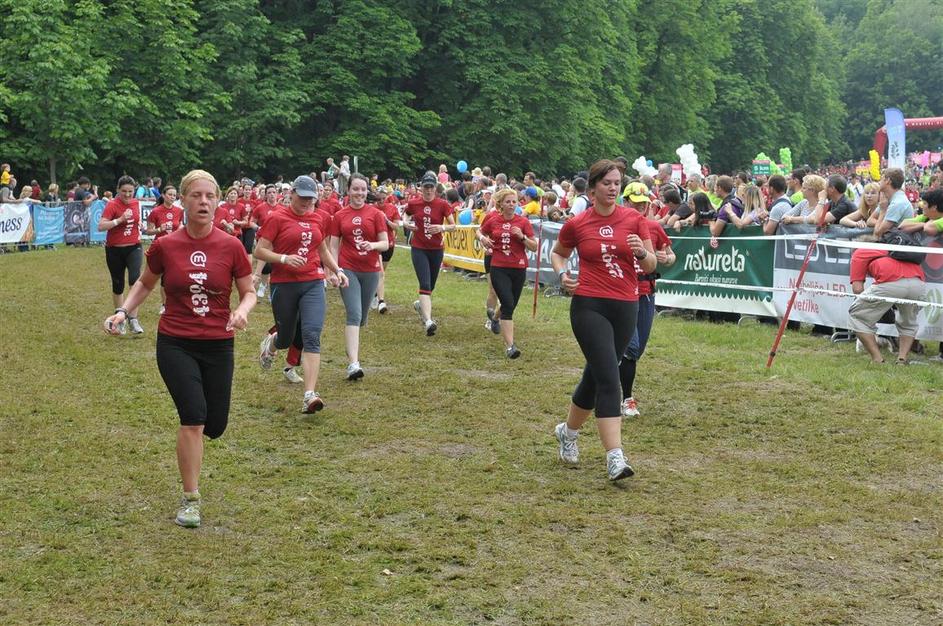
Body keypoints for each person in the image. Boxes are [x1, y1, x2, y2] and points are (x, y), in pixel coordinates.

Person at [103, 169, 257, 529]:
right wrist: (123, 312)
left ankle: (199, 445)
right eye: (196, 195)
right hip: (176, 342)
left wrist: (242, 310)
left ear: (217, 202)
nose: (204, 202)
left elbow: (249, 291)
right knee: (193, 416)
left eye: (210, 196)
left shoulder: (232, 246)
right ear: (183, 200)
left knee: (215, 424)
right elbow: (145, 283)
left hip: (218, 344)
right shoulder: (166, 245)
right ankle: (191, 499)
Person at [549, 159, 656, 481]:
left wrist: (641, 253)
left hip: (626, 306)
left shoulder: (635, 220)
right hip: (589, 305)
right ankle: (615, 458)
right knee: (610, 377)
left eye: (617, 183)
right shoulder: (577, 223)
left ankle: (568, 432)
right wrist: (562, 275)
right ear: (593, 187)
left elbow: (651, 265)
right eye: (607, 183)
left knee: (595, 376)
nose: (613, 188)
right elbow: (558, 253)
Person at [255, 175, 348, 413]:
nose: (307, 202)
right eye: (303, 197)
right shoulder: (277, 218)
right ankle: (271, 344)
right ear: (292, 193)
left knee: (311, 335)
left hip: (313, 282)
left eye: (311, 198)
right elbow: (260, 251)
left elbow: (322, 249)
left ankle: (309, 394)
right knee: (286, 338)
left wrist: (337, 270)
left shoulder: (319, 218)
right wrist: (284, 258)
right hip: (284, 284)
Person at [328, 173, 389, 379]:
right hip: (348, 269)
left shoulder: (376, 214)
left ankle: (352, 348)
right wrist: (335, 270)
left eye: (363, 189)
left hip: (371, 270)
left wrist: (372, 245)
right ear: (348, 190)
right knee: (353, 314)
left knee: (361, 318)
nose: (359, 193)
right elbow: (333, 245)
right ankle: (354, 364)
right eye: (355, 189)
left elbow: (385, 244)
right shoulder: (339, 216)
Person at [619, 207, 675, 417]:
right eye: (635, 202)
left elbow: (671, 256)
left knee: (636, 350)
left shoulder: (653, 227)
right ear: (626, 202)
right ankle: (627, 399)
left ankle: (611, 367)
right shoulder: (615, 227)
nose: (640, 207)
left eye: (644, 203)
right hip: (622, 293)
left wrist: (665, 258)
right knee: (631, 348)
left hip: (646, 294)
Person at [476, 188, 538, 358]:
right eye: (508, 202)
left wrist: (522, 237)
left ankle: (495, 318)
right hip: (498, 267)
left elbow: (534, 246)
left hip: (518, 268)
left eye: (514, 202)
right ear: (501, 204)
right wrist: (483, 239)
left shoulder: (523, 222)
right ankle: (511, 347)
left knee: (510, 304)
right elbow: (479, 231)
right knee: (508, 304)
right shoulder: (493, 219)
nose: (511, 205)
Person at [847, 234, 925, 364]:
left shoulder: (860, 252)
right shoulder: (891, 248)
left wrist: (874, 307)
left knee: (857, 317)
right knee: (908, 322)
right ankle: (902, 359)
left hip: (890, 283)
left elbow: (858, 289)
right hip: (918, 283)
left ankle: (877, 359)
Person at [402, 171, 457, 336]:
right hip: (419, 248)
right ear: (421, 188)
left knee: (431, 285)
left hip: (436, 249)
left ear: (435, 188)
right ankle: (428, 321)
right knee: (425, 284)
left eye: (431, 187)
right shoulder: (414, 203)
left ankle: (421, 305)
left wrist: (441, 227)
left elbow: (453, 226)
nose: (428, 190)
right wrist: (406, 223)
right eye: (426, 187)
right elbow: (406, 214)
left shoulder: (442, 204)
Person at [98, 176, 145, 334]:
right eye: (124, 191)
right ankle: (120, 320)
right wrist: (119, 220)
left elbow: (137, 221)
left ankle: (133, 319)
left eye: (130, 191)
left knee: (135, 281)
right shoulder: (112, 205)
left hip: (134, 247)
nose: (127, 194)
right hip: (114, 250)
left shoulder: (136, 203)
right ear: (118, 190)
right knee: (118, 286)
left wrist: (140, 225)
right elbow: (101, 226)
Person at [145, 185, 185, 313]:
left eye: (174, 195)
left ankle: (173, 304)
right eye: (170, 194)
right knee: (160, 277)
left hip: (175, 247)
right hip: (160, 247)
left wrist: (180, 229)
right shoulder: (156, 211)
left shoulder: (179, 211)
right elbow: (148, 231)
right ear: (163, 195)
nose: (172, 197)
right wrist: (159, 229)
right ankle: (164, 305)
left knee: (173, 276)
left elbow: (180, 225)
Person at [374, 186, 402, 314]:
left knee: (381, 272)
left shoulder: (392, 208)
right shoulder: (371, 208)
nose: (381, 201)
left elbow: (396, 227)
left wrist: (386, 220)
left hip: (389, 244)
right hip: (376, 244)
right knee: (380, 273)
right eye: (378, 199)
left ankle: (375, 292)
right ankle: (381, 301)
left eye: (383, 198)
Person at [873, 168, 914, 238]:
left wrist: (882, 211)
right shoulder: (890, 199)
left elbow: (877, 234)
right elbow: (869, 221)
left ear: (888, 181)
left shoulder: (897, 203)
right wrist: (882, 223)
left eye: (881, 179)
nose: (879, 182)